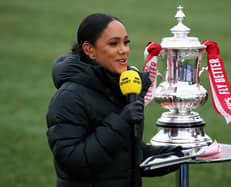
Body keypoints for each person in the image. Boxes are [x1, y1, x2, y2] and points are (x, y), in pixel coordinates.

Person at [46, 13, 182, 187]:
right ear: (89, 50)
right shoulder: (68, 98)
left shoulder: (121, 87)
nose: (123, 50)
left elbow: (126, 156)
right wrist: (121, 121)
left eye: (126, 42)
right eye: (113, 43)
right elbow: (74, 162)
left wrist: (180, 154)